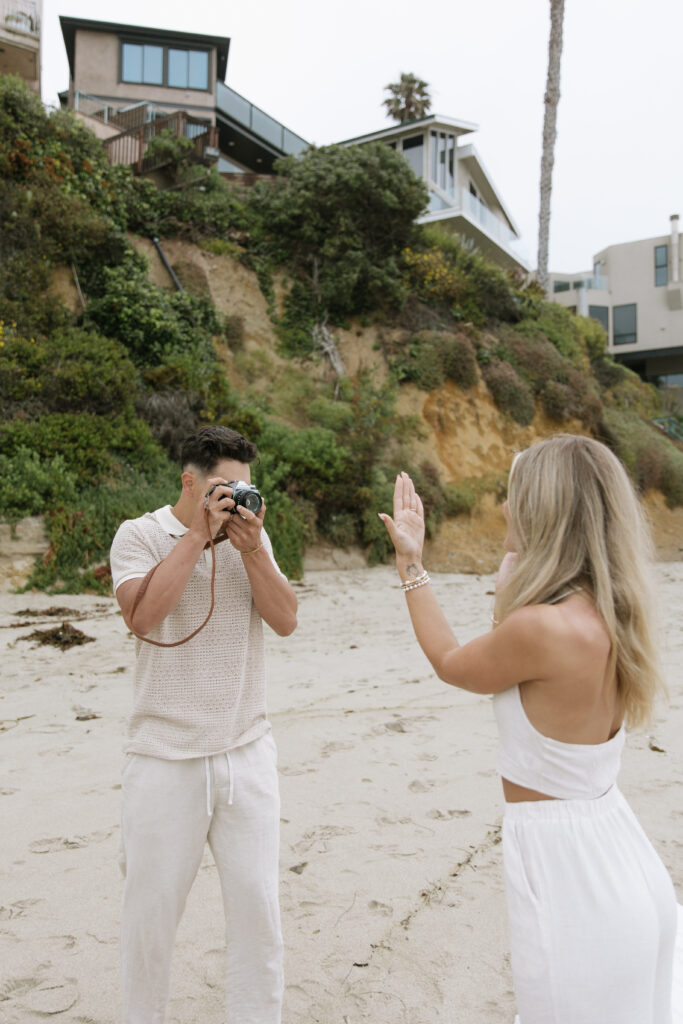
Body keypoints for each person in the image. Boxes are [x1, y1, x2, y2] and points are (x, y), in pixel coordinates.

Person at [379, 434, 681, 1024]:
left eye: (514, 496)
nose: (503, 508)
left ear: (544, 510)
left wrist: (410, 564)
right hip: (621, 858)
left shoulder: (541, 629)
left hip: (572, 877)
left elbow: (452, 662)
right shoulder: (611, 611)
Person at [109, 425, 297, 1024]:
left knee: (258, 913)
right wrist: (196, 537)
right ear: (190, 483)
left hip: (247, 749)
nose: (236, 501)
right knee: (151, 919)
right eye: (225, 489)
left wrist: (252, 548)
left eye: (245, 489)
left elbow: (286, 620)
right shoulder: (138, 535)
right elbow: (142, 618)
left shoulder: (251, 539)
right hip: (163, 757)